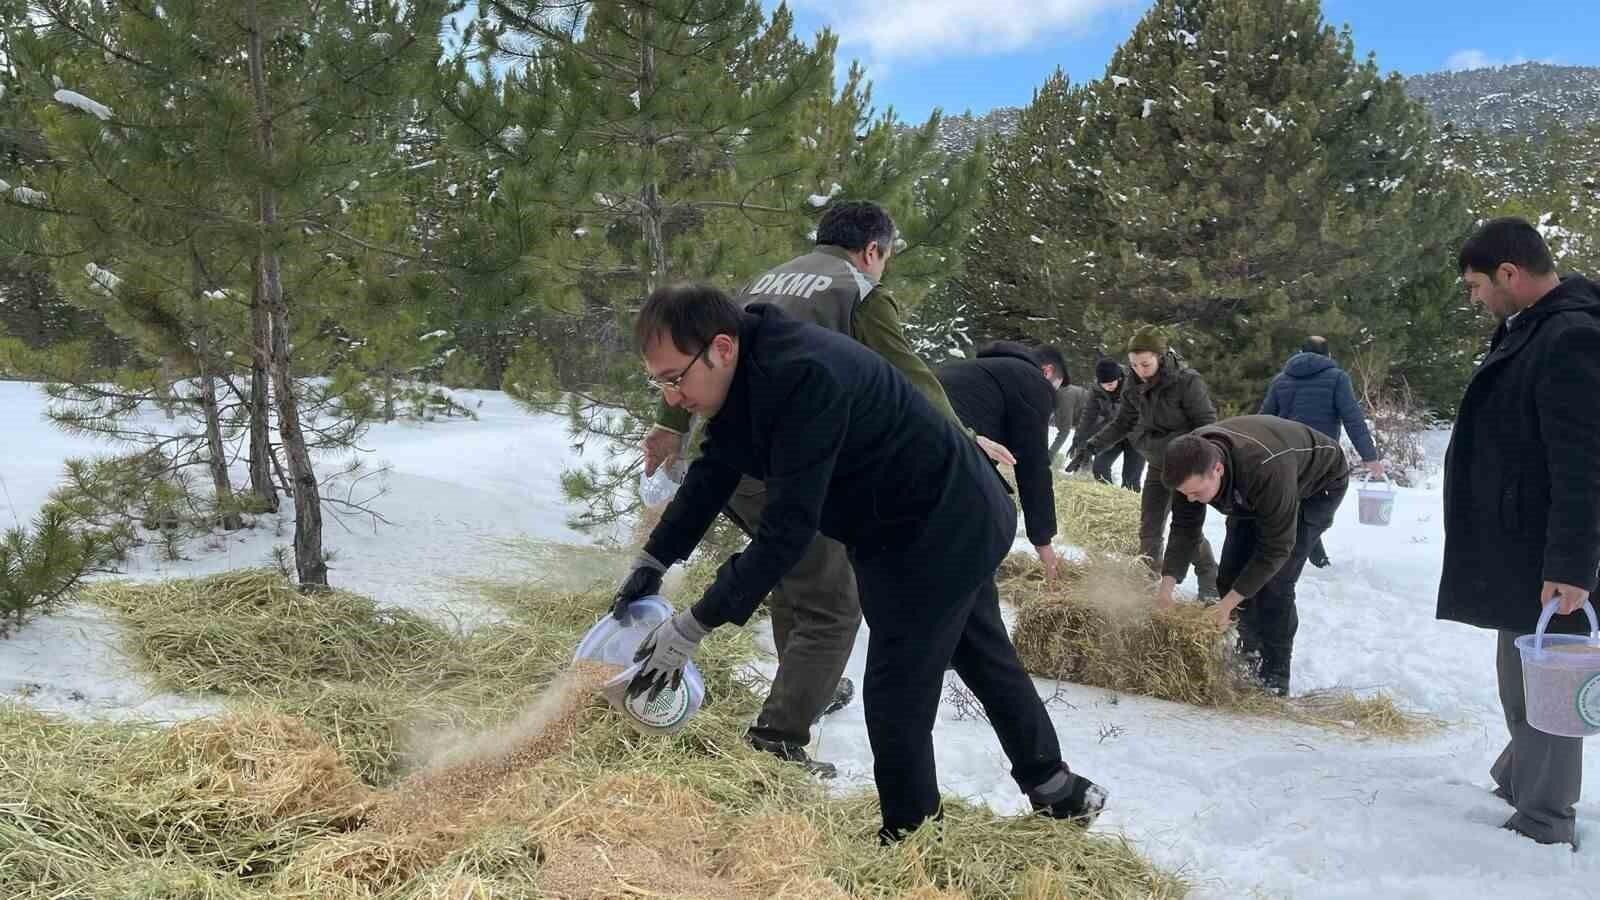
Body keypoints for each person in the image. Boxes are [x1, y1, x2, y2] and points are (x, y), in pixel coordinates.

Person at [614, 284, 1106, 842]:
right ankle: (1057, 789)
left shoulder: (802, 377)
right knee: (980, 650)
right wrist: (654, 559)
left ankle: (911, 837)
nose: (671, 398)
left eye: (674, 378)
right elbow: (711, 474)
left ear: (721, 348)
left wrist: (694, 624)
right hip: (918, 518)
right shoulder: (748, 372)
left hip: (935, 526)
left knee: (896, 692)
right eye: (659, 382)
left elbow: (787, 533)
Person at [635, 201, 1013, 776]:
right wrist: (964, 441)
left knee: (795, 581)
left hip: (737, 455)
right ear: (873, 251)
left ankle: (803, 687)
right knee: (833, 601)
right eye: (884, 257)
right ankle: (779, 737)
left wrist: (673, 424)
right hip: (789, 460)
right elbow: (911, 377)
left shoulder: (768, 280)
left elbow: (696, 361)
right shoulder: (858, 290)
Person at [1437, 217, 1600, 851]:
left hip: (1554, 557)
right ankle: (1520, 777)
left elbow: (1584, 464)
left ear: (1510, 274)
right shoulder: (1533, 327)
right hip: (1526, 546)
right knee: (1523, 673)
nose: (1473, 298)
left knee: (1546, 682)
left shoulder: (1571, 336)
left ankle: (1545, 819)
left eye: (1476, 285)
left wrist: (1571, 566)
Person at [1156, 416, 1350, 696]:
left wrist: (1226, 606)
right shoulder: (1186, 464)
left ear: (1217, 469)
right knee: (1231, 577)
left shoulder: (1264, 468)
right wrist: (1166, 591)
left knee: (1276, 583)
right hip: (1251, 487)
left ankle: (1274, 676)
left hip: (1317, 485)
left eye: (1196, 492)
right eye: (1184, 493)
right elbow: (1184, 529)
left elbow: (1276, 548)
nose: (1190, 499)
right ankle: (1248, 656)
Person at [1070, 327, 1220, 599]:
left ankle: (1209, 576)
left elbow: (1207, 424)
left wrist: (1202, 465)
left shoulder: (1187, 382)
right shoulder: (1133, 384)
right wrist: (1091, 446)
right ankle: (1146, 586)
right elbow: (1123, 422)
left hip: (1186, 466)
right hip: (1156, 462)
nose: (1139, 370)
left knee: (1186, 529)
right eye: (1134, 364)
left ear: (1161, 357)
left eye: (1146, 364)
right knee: (1149, 529)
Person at [937, 341, 1067, 581]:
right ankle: (975, 580)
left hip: (917, 430)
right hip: (948, 443)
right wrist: (1043, 540)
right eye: (1054, 390)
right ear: (1047, 371)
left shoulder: (988, 369)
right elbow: (1033, 464)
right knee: (994, 512)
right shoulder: (1033, 380)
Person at [1261, 336, 1386, 567]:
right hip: (1322, 454)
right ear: (1328, 355)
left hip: (1286, 453)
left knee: (1297, 503)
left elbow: (1265, 418)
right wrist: (1370, 457)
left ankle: (1312, 556)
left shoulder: (1281, 380)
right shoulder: (1337, 378)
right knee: (1318, 508)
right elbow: (1353, 419)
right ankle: (1301, 555)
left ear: (1300, 352)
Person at [1067, 357, 1145, 491]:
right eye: (1104, 383)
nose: (1108, 386)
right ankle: (1109, 498)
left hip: (1138, 435)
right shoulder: (1096, 390)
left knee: (1130, 481)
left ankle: (1126, 507)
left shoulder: (1134, 384)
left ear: (1119, 378)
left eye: (1111, 382)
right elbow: (1088, 415)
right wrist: (1077, 439)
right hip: (1113, 433)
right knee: (1099, 467)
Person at [1047, 367, 1090, 465]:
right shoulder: (1058, 395)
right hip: (1085, 421)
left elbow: (1064, 430)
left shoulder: (1065, 396)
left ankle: (1085, 471)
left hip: (1098, 419)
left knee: (1081, 446)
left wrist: (1050, 455)